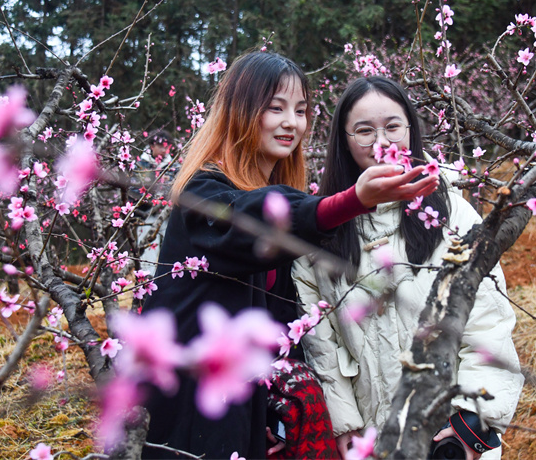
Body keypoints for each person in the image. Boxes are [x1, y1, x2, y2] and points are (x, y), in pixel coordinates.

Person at [140, 52, 439, 459]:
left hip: (250, 409)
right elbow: (253, 220)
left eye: (300, 111)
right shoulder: (202, 194)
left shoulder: (271, 194)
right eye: (274, 108)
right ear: (240, 112)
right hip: (196, 409)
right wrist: (353, 200)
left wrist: (281, 408)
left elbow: (284, 319)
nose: (291, 123)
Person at [292, 76, 524, 460]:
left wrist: (473, 426)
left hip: (451, 434)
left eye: (393, 127)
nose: (381, 143)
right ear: (344, 141)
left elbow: (488, 322)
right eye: (364, 131)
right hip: (372, 434)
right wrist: (345, 422)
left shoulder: (451, 212)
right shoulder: (321, 230)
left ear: (411, 131)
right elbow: (321, 341)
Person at [135, 129, 175, 275]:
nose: (164, 149)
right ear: (152, 146)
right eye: (161, 146)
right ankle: (146, 282)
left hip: (168, 215)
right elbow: (132, 190)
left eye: (167, 146)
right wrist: (151, 199)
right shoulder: (141, 166)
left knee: (171, 249)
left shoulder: (174, 166)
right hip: (146, 215)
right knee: (147, 251)